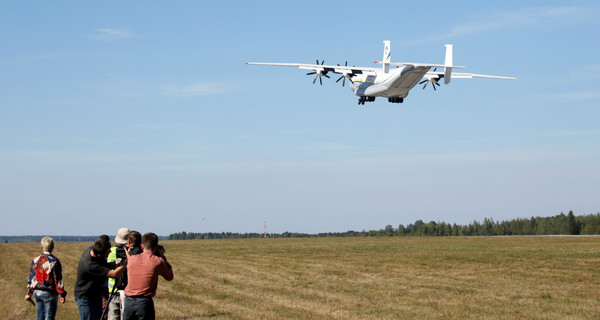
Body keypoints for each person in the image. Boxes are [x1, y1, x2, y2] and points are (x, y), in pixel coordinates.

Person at [123, 233, 173, 320]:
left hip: (128, 301)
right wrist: (163, 257)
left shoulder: (131, 259)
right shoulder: (158, 261)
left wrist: (128, 256)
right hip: (144, 302)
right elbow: (169, 276)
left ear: (142, 245)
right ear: (156, 246)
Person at [75, 236, 127, 320]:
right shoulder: (90, 265)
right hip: (86, 298)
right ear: (100, 255)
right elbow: (114, 274)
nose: (110, 251)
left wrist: (114, 263)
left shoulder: (93, 250)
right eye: (108, 252)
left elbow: (102, 263)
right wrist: (125, 264)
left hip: (95, 293)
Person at [25, 237, 67, 320]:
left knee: (39, 317)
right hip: (49, 294)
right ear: (52, 248)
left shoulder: (35, 260)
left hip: (37, 293)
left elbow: (32, 279)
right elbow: (58, 280)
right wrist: (62, 295)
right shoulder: (54, 261)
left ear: (41, 247)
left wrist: (29, 293)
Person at [106, 229, 143, 320]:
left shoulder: (112, 251)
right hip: (128, 290)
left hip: (113, 289)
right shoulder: (137, 252)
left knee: (113, 315)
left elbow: (107, 267)